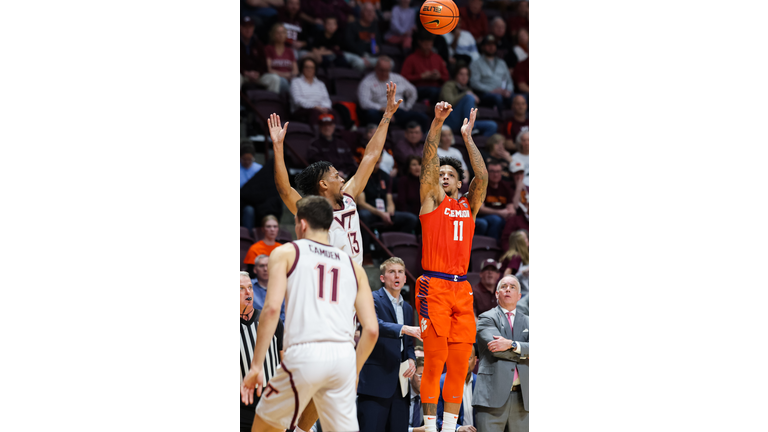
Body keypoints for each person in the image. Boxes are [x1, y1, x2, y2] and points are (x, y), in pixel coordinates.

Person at [240, 196, 380, 432]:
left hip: (306, 353)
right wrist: (354, 371)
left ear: (301, 223)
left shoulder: (286, 253)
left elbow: (272, 309)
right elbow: (372, 330)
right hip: (344, 357)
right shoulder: (354, 266)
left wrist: (256, 367)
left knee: (265, 426)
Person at [271, 82, 402, 263]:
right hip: (329, 284)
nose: (342, 180)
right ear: (323, 184)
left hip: (355, 281)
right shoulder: (311, 211)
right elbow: (285, 190)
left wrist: (387, 115)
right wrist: (278, 147)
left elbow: (371, 156)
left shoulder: (348, 196)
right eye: (335, 176)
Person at [416, 104, 488, 432]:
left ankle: (449, 427)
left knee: (459, 364)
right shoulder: (431, 200)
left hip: (463, 289)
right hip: (435, 285)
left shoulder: (468, 206)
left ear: (460, 183)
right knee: (434, 360)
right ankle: (429, 427)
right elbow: (429, 162)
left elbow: (483, 177)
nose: (443, 177)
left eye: (450, 175)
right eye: (440, 175)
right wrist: (437, 122)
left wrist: (467, 137)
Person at [357, 257, 422, 432]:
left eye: (400, 272)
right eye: (391, 272)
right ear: (382, 278)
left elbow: (408, 345)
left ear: (405, 278)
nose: (396, 276)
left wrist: (410, 359)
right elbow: (374, 324)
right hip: (375, 383)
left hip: (400, 386)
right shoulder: (372, 299)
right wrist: (404, 328)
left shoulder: (408, 308)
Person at [473, 276, 529, 432]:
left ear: (519, 296)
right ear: (497, 294)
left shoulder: (529, 321)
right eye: (504, 286)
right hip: (491, 399)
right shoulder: (486, 318)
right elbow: (497, 349)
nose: (508, 289)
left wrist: (512, 345)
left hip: (523, 399)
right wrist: (526, 352)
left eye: (513, 286)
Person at [240, 271, 285, 432]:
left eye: (250, 287)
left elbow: (284, 360)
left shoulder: (271, 321)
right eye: (241, 288)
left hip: (272, 401)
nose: (248, 292)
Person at [358, 56, 430, 132]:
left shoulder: (397, 78)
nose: (384, 73)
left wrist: (407, 107)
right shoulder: (367, 82)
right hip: (380, 112)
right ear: (376, 68)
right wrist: (381, 109)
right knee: (371, 114)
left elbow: (413, 91)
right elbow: (364, 102)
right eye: (382, 70)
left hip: (399, 111)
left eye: (387, 70)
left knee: (423, 118)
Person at [357, 157, 419, 243]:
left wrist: (390, 210)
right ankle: (367, 252)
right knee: (363, 215)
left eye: (379, 157)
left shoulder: (385, 176)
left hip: (385, 212)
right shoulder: (360, 175)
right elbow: (361, 203)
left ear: (381, 158)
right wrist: (381, 214)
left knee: (411, 219)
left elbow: (389, 199)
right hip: (371, 212)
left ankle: (397, 245)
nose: (377, 160)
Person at [440, 65, 497, 137]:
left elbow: (476, 114)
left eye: (466, 74)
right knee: (469, 98)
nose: (464, 77)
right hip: (450, 119)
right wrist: (466, 95)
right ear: (455, 75)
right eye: (461, 74)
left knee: (492, 125)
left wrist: (473, 103)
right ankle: (470, 129)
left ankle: (475, 146)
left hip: (465, 122)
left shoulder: (468, 90)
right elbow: (449, 102)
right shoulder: (448, 85)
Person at [436, 344, 478, 432]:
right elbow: (438, 419)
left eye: (469, 359)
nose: (464, 363)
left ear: (475, 360)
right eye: (461, 358)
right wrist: (458, 428)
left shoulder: (481, 383)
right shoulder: (441, 382)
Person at [400, 32, 450, 105]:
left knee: (446, 92)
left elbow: (446, 77)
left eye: (431, 45)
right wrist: (421, 76)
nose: (428, 47)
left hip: (436, 87)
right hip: (418, 88)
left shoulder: (437, 58)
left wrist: (439, 76)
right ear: (420, 43)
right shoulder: (411, 59)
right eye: (426, 44)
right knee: (435, 91)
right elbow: (403, 78)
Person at [470, 35, 514, 115]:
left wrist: (508, 91)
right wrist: (492, 90)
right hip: (485, 94)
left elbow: (509, 81)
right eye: (488, 44)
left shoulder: (502, 63)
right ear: (483, 47)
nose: (491, 47)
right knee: (497, 98)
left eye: (493, 44)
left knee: (519, 98)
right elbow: (474, 83)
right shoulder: (476, 63)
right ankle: (501, 121)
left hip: (503, 92)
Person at [306, 113, 358, 178]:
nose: (327, 127)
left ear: (334, 126)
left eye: (329, 125)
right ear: (320, 127)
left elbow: (351, 163)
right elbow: (315, 164)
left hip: (346, 176)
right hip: (326, 177)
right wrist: (334, 173)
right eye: (324, 125)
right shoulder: (314, 144)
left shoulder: (342, 144)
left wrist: (345, 173)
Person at [241, 16, 283, 94]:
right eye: (245, 27)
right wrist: (245, 73)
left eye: (250, 27)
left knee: (275, 78)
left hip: (257, 75)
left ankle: (272, 105)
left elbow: (264, 65)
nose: (248, 30)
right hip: (242, 75)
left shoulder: (258, 43)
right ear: (240, 28)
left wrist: (258, 73)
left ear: (253, 28)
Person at [290, 57, 336, 126]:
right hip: (302, 110)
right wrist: (315, 107)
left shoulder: (320, 84)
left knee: (332, 112)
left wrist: (325, 108)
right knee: (314, 112)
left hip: (319, 109)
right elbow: (298, 101)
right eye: (307, 67)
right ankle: (315, 134)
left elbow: (326, 99)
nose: (309, 70)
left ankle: (331, 135)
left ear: (315, 70)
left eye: (312, 67)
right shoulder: (296, 82)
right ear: (302, 68)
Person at [475, 161, 515, 239]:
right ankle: (491, 246)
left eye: (498, 171)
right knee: (496, 220)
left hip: (502, 216)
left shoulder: (506, 186)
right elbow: (480, 209)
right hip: (484, 217)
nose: (496, 174)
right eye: (492, 171)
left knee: (514, 220)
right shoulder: (481, 186)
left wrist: (510, 212)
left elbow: (511, 208)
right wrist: (499, 213)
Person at [499, 162, 529, 251]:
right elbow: (515, 207)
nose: (519, 176)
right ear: (511, 174)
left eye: (521, 173)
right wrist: (519, 188)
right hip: (512, 218)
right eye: (516, 173)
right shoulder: (506, 186)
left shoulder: (528, 188)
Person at [343, 3, 382, 71]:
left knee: (389, 63)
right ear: (361, 12)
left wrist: (377, 48)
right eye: (367, 11)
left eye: (372, 11)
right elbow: (349, 44)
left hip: (368, 56)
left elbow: (378, 43)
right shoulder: (352, 25)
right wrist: (361, 55)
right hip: (354, 55)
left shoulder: (374, 26)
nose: (370, 13)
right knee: (360, 63)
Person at [249, 255, 287, 323]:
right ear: (255, 269)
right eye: (261, 266)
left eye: (268, 265)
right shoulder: (247, 286)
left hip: (277, 328)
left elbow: (285, 313)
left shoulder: (282, 286)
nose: (265, 269)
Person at [265, 23, 299, 93]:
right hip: (277, 78)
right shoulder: (268, 49)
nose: (281, 35)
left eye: (283, 32)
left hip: (290, 79)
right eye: (278, 33)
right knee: (284, 83)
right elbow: (269, 70)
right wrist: (285, 75)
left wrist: (292, 75)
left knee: (297, 83)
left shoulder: (289, 50)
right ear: (273, 35)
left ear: (286, 35)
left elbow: (296, 70)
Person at [241, 144, 263, 230]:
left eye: (249, 159)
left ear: (253, 158)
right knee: (249, 211)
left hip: (255, 200)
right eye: (244, 159)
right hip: (242, 201)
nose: (247, 162)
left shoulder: (259, 169)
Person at [408, 357, 426, 432]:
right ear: (411, 375)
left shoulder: (427, 398)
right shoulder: (400, 396)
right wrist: (414, 430)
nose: (425, 381)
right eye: (421, 376)